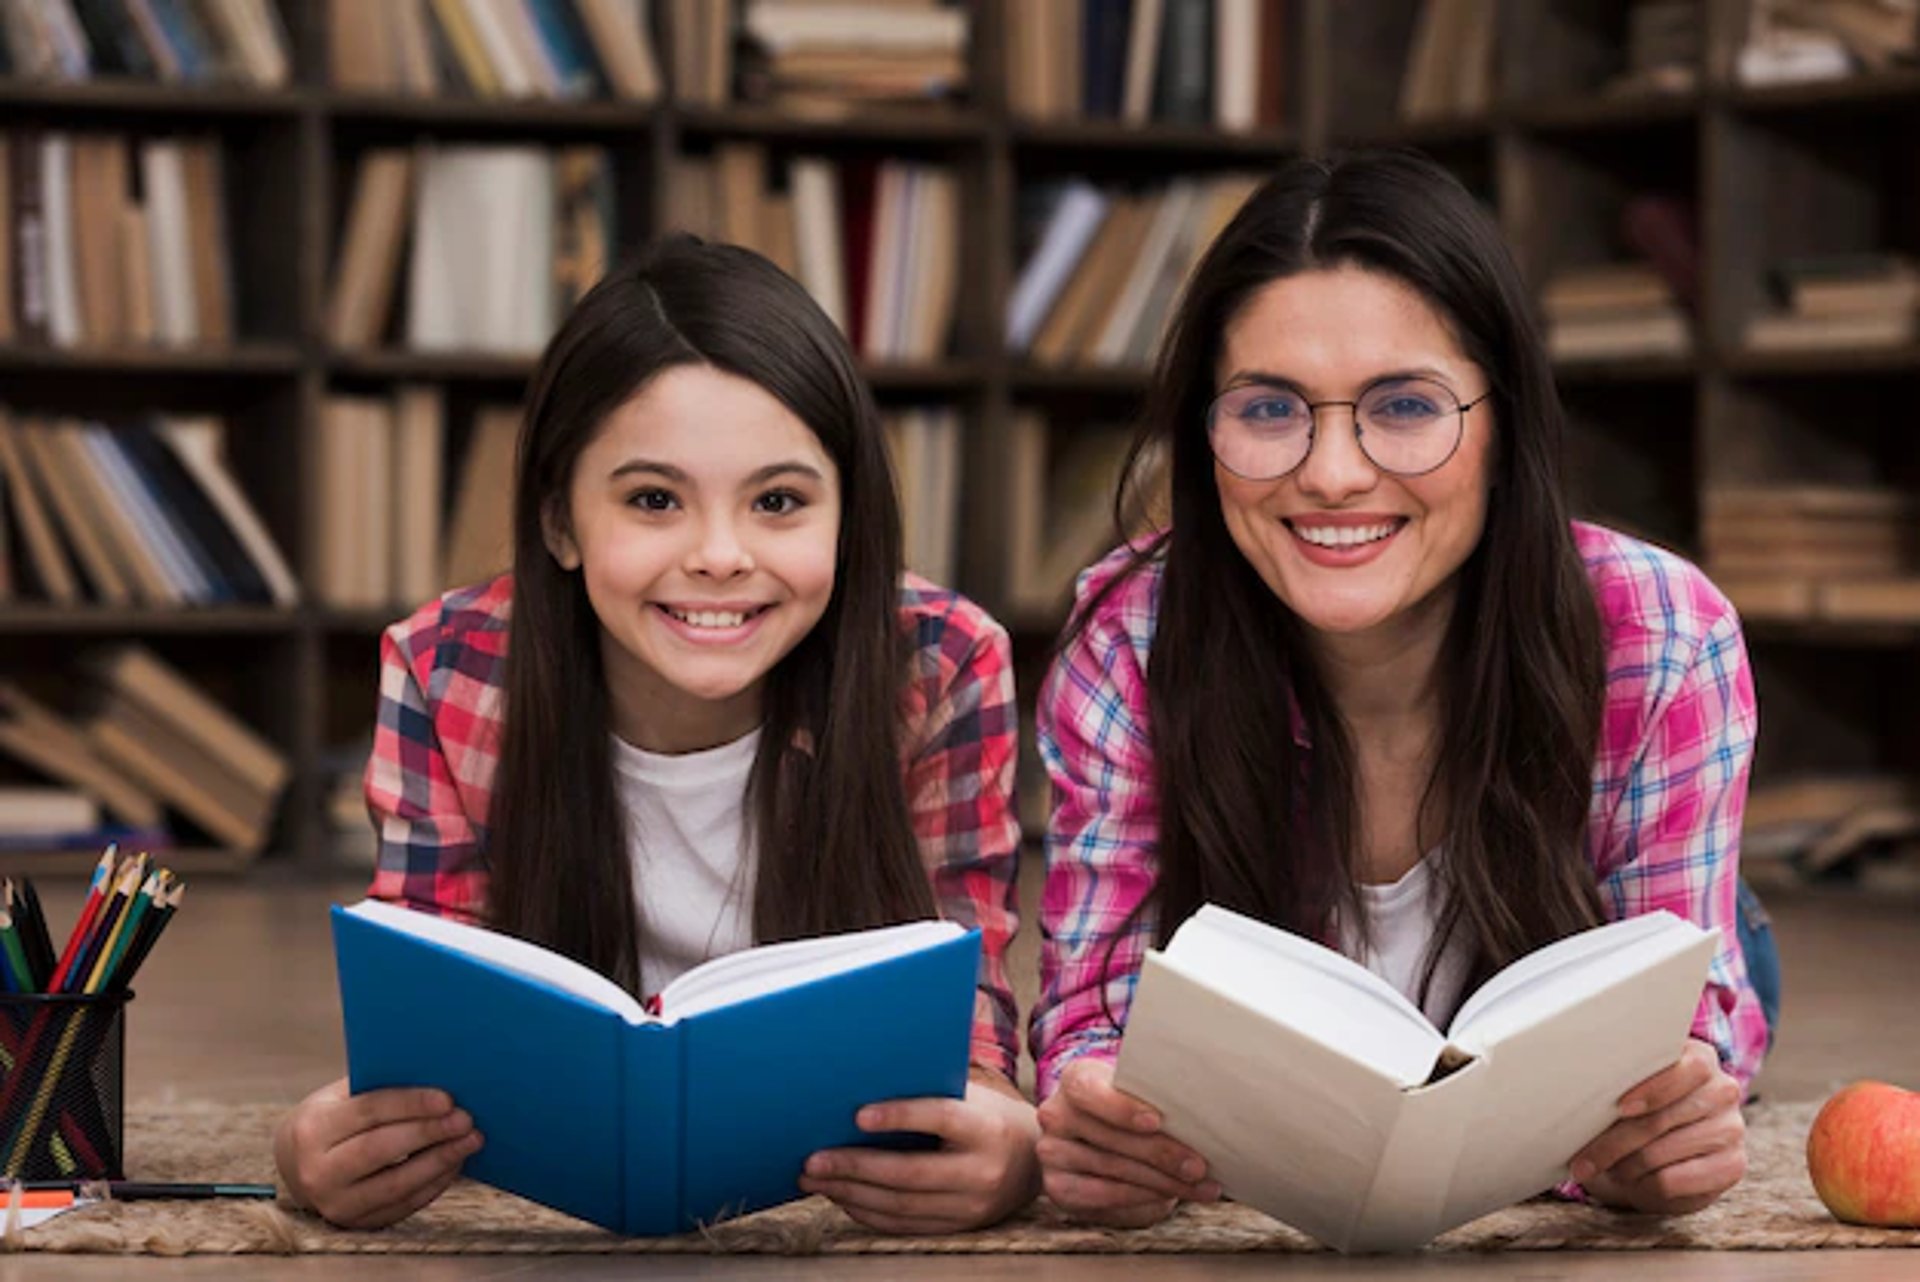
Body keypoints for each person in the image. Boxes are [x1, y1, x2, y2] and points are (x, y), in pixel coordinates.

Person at [1030, 151, 1775, 1229]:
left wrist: (1664, 1123)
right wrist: (1102, 1110)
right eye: (1270, 409)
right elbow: (1093, 1010)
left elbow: (1686, 1027)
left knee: (1736, 983)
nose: (1332, 472)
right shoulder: (1129, 635)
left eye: (1406, 405)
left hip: (1598, 902)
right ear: (1204, 432)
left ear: (1504, 423)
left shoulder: (1662, 632)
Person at [273, 237, 1037, 1233]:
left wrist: (1009, 1144)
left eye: (778, 502)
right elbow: (431, 1012)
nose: (719, 555)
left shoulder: (938, 665)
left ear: (848, 518)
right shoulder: (446, 669)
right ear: (560, 521)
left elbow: (968, 1028)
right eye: (652, 500)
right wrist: (323, 1153)